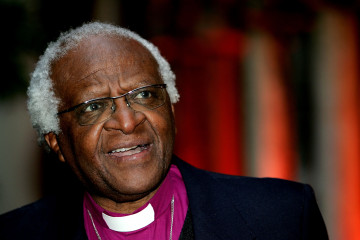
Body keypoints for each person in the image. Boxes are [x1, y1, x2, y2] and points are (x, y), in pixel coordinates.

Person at [0, 22, 328, 240]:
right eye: (93, 106)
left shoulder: (281, 217)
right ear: (56, 141)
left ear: (170, 108)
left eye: (144, 95)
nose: (128, 121)